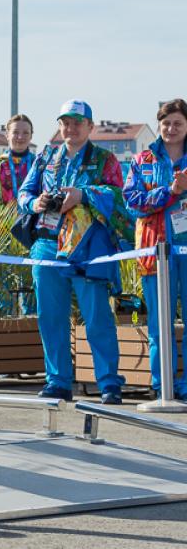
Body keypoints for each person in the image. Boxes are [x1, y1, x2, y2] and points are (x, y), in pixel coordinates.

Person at [18, 100, 131, 405]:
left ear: (90, 127)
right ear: (59, 126)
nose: (71, 128)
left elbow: (120, 198)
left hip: (88, 246)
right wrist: (36, 203)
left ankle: (108, 382)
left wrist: (83, 195)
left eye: (78, 122)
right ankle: (57, 381)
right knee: (51, 317)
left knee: (96, 317)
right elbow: (24, 193)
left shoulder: (105, 159)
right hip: (47, 243)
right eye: (65, 122)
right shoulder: (45, 157)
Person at [123, 98, 187, 401]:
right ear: (159, 125)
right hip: (153, 251)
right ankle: (163, 385)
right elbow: (132, 202)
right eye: (166, 123)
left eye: (178, 123)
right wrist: (169, 192)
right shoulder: (143, 159)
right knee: (157, 324)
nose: (171, 129)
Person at [0, 114, 37, 316]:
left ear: (31, 136)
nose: (20, 137)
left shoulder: (38, 164)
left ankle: (30, 326)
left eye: (25, 132)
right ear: (7, 135)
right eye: (16, 132)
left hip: (31, 232)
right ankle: (8, 327)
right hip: (4, 235)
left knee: (31, 285)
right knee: (4, 286)